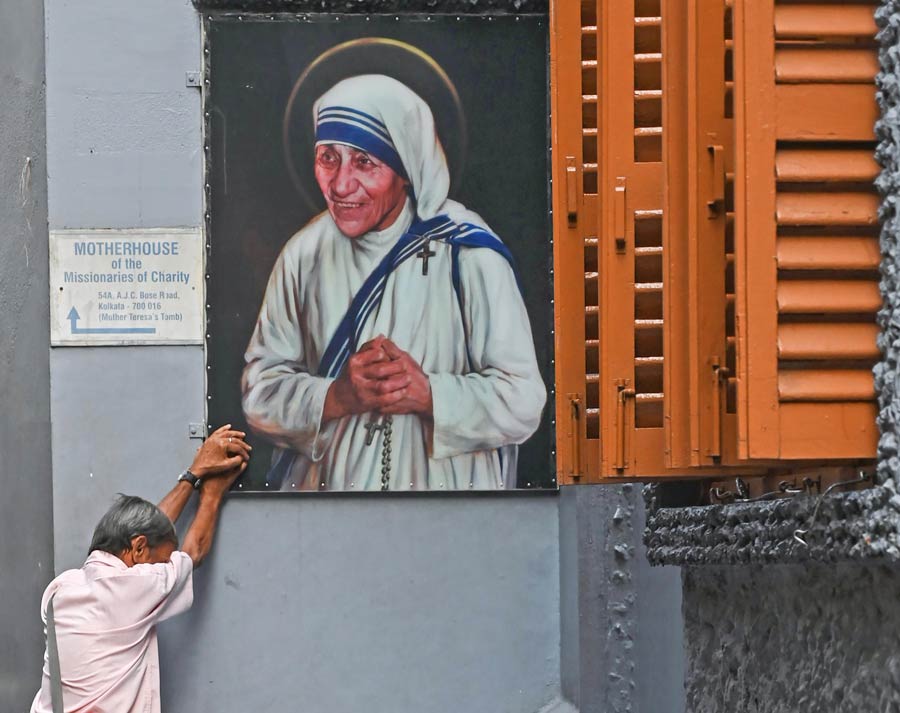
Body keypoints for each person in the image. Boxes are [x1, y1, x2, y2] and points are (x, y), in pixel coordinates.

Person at [242, 73, 546, 491]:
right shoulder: (304, 255)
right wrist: (338, 397)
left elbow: (524, 401)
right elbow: (261, 394)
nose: (341, 184)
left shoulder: (468, 252)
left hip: (449, 514)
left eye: (365, 162)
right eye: (328, 157)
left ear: (406, 169)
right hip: (331, 515)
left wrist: (429, 394)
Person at [29, 425, 251, 713]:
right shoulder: (134, 590)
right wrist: (211, 494)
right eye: (160, 562)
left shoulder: (60, 590)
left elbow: (145, 536)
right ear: (136, 549)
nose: (159, 570)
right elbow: (192, 552)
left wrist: (192, 474)